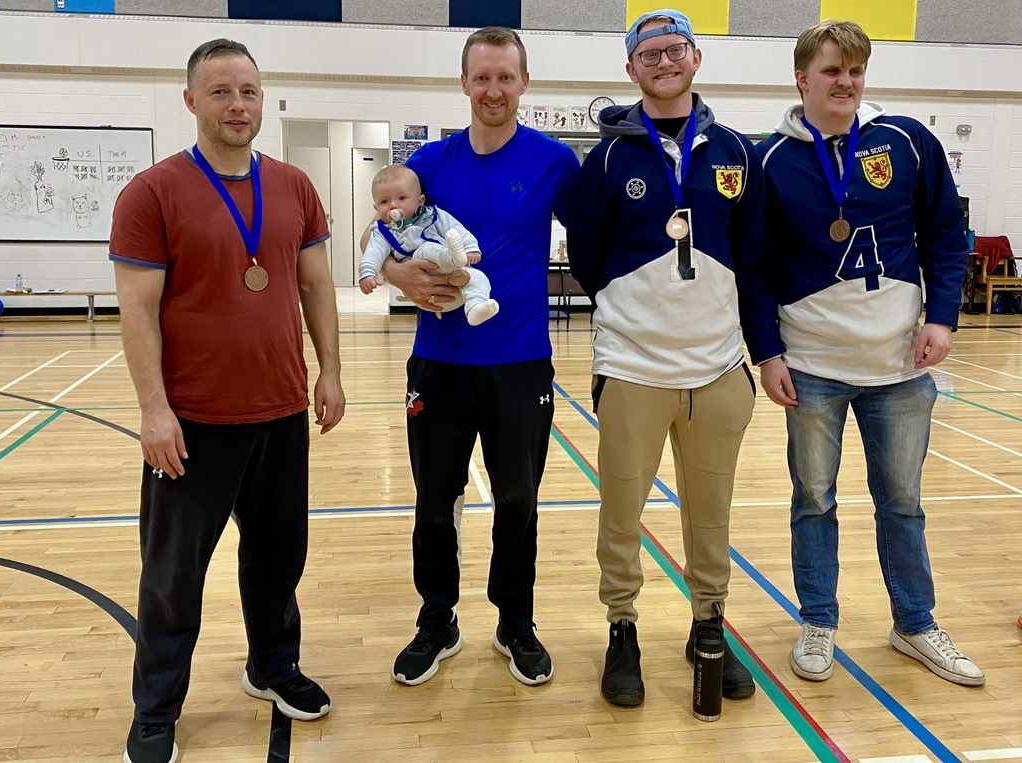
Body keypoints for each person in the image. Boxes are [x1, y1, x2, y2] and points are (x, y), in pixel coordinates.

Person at [110, 38, 346, 763]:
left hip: (279, 411)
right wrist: (154, 409)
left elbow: (314, 285)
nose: (236, 104)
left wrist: (329, 371)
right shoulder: (151, 193)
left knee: (278, 560)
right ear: (192, 101)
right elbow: (138, 310)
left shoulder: (295, 186)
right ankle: (156, 709)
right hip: (191, 422)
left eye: (247, 90)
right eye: (219, 92)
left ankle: (271, 666)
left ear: (262, 98)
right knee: (174, 577)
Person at [755, 20, 984, 687]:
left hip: (900, 367)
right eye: (832, 71)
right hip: (813, 367)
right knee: (814, 500)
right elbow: (759, 268)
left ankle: (915, 622)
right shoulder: (774, 159)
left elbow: (947, 234)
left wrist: (942, 317)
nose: (847, 82)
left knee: (903, 503)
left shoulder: (906, 140)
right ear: (802, 79)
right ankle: (819, 618)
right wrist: (767, 352)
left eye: (856, 69)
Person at [567, 9, 773, 707]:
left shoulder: (739, 153)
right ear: (631, 70)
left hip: (717, 371)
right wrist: (638, 314)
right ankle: (621, 627)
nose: (662, 61)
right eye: (648, 53)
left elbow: (752, 258)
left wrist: (754, 350)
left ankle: (708, 624)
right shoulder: (606, 159)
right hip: (632, 370)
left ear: (696, 58)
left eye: (674, 49)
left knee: (710, 513)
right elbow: (590, 260)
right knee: (622, 512)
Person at [374, 26, 579, 687]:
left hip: (520, 363)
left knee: (518, 500)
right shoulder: (429, 165)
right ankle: (438, 620)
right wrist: (403, 278)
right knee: (436, 500)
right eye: (481, 77)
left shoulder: (553, 161)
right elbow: (380, 236)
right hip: (439, 361)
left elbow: (604, 236)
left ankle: (515, 622)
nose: (493, 90)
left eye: (505, 77)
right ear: (464, 84)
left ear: (525, 84)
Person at [359, 164, 499, 326]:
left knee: (478, 277)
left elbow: (456, 229)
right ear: (376, 208)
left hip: (454, 282)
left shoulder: (434, 216)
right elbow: (372, 252)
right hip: (421, 283)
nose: (393, 206)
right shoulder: (382, 232)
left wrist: (470, 248)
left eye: (402, 198)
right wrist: (368, 274)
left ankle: (475, 307)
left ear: (420, 201)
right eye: (384, 201)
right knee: (426, 249)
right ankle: (454, 257)